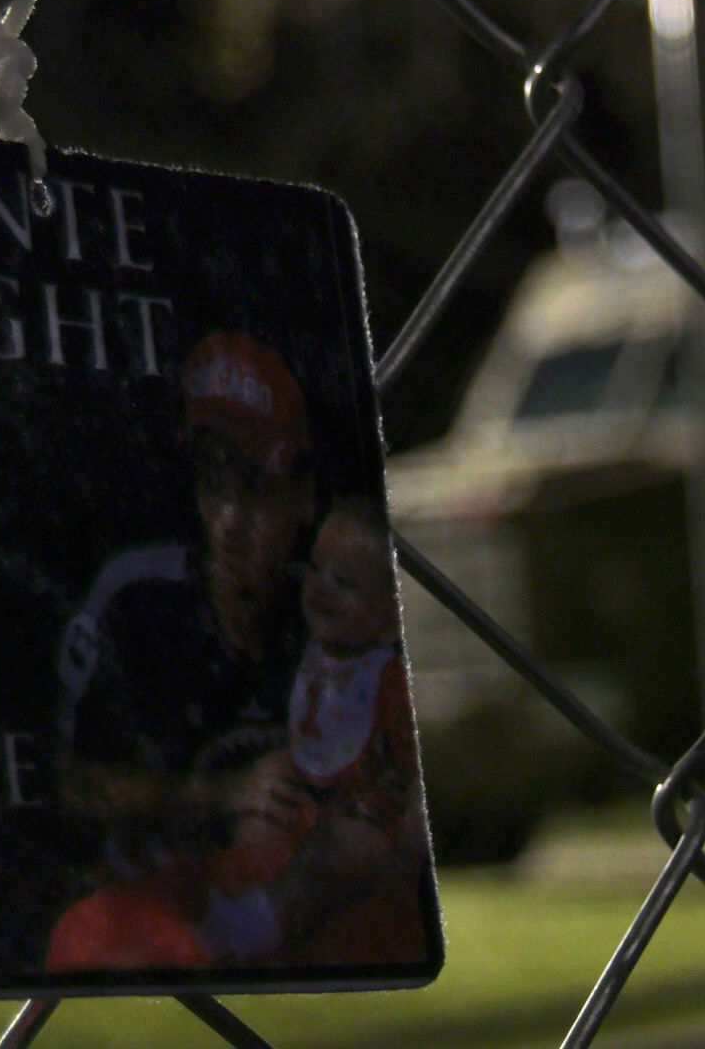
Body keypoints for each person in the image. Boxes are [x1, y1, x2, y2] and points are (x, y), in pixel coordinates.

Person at [46, 331, 318, 970]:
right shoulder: (137, 600)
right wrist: (221, 793)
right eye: (214, 484)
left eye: (257, 488)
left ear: (305, 497)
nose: (230, 521)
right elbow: (68, 783)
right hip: (144, 916)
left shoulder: (329, 606)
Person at [197, 498, 428, 965]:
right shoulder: (304, 656)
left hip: (365, 822)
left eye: (344, 583)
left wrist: (392, 819)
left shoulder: (390, 684)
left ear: (390, 622)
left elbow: (410, 777)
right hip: (307, 806)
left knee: (339, 848)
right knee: (260, 816)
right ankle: (245, 911)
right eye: (316, 568)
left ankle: (258, 926)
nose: (319, 589)